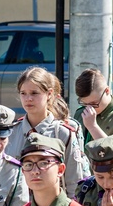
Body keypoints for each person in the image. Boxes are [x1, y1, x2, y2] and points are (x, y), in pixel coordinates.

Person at [6, 67, 89, 198]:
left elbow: (75, 181)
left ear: (49, 94)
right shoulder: (11, 132)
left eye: (34, 93)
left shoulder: (63, 133)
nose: (28, 98)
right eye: (23, 93)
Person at [73, 68, 113, 143]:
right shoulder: (80, 113)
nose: (89, 108)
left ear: (107, 91)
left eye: (94, 103)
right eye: (85, 103)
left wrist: (92, 127)